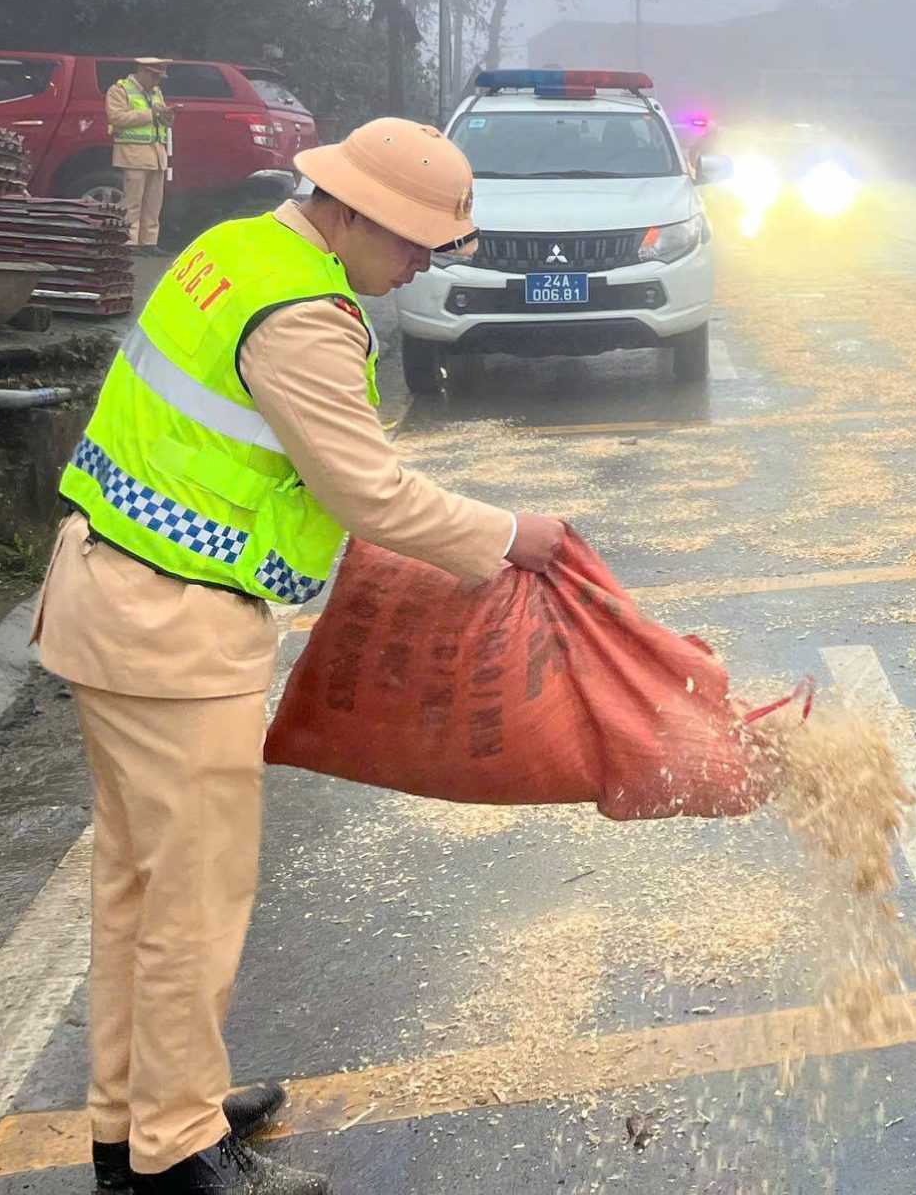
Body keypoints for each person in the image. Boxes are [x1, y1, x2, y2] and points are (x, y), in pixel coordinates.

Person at [35, 118, 572, 1194]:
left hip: (107, 592)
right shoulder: (304, 315)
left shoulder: (236, 250)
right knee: (191, 900)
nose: (421, 262)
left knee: (138, 891)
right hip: (174, 631)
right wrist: (512, 535)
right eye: (415, 241)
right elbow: (364, 490)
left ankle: (136, 1119)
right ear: (350, 209)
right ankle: (175, 1157)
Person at [107, 59, 173, 253]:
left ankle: (149, 242)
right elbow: (117, 117)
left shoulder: (156, 92)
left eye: (160, 77)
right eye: (154, 76)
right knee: (132, 201)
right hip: (133, 153)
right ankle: (129, 242)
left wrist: (168, 115)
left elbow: (159, 120)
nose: (157, 81)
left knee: (154, 203)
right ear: (143, 71)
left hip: (156, 153)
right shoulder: (119, 90)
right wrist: (151, 114)